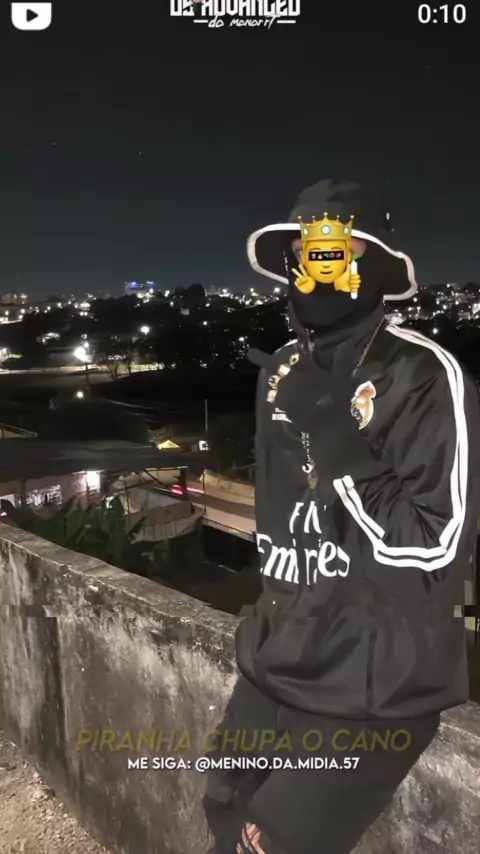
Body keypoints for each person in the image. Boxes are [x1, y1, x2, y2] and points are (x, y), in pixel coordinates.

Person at [203, 179, 480, 854]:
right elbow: (284, 516)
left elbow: (438, 542)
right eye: (308, 248)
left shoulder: (420, 374)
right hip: (277, 658)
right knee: (221, 805)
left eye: (342, 248)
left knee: (270, 842)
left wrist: (338, 443)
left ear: (377, 263)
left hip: (371, 683)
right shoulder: (280, 371)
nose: (322, 265)